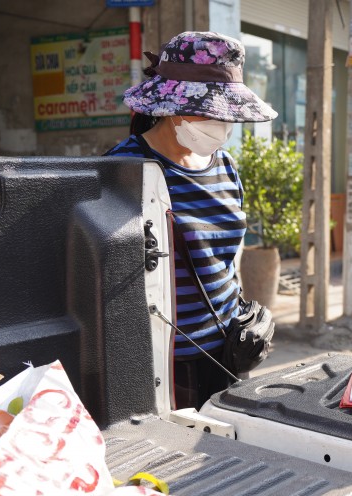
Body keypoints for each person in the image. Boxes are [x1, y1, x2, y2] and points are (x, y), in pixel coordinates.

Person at [105, 31, 277, 409]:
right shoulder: (126, 168)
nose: (222, 123)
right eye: (211, 111)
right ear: (173, 105)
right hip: (165, 362)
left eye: (225, 113)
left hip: (228, 351)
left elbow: (231, 258)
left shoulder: (226, 167)